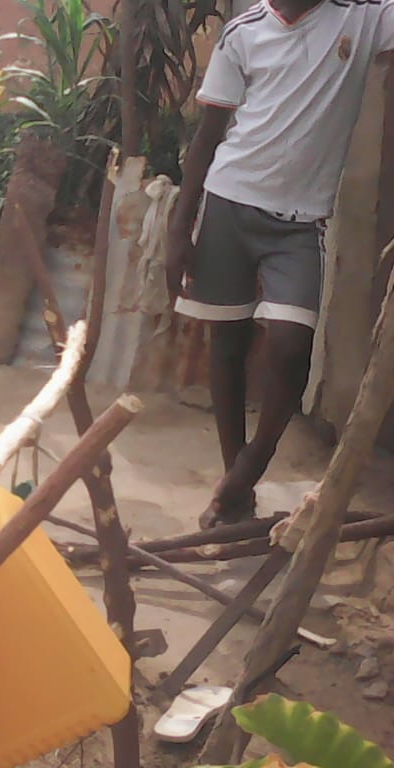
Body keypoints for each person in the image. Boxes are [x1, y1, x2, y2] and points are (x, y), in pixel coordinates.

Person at [167, 0, 394, 529]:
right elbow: (208, 136)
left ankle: (245, 471)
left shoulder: (364, 19)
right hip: (228, 201)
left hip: (300, 222)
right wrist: (179, 229)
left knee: (292, 348)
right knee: (227, 343)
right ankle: (236, 492)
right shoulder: (243, 33)